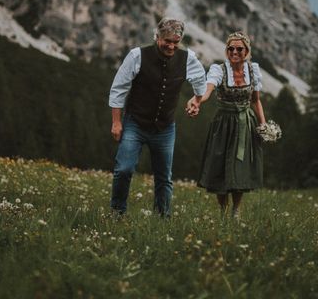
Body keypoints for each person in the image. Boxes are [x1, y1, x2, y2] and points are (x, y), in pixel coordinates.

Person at [109, 18, 206, 216]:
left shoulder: (187, 58)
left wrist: (196, 101)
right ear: (157, 37)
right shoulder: (137, 55)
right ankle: (117, 213)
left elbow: (200, 81)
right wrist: (116, 122)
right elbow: (119, 89)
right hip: (135, 123)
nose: (171, 46)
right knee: (124, 169)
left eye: (175, 42)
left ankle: (162, 218)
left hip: (165, 127)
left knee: (164, 177)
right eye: (167, 41)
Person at [187, 31, 266, 218]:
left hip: (245, 123)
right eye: (230, 48)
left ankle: (236, 211)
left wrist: (263, 124)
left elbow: (255, 101)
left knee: (240, 166)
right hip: (223, 123)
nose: (234, 52)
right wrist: (197, 100)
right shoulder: (219, 70)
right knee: (220, 166)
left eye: (239, 48)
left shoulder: (253, 70)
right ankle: (223, 212)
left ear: (246, 51)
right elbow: (208, 89)